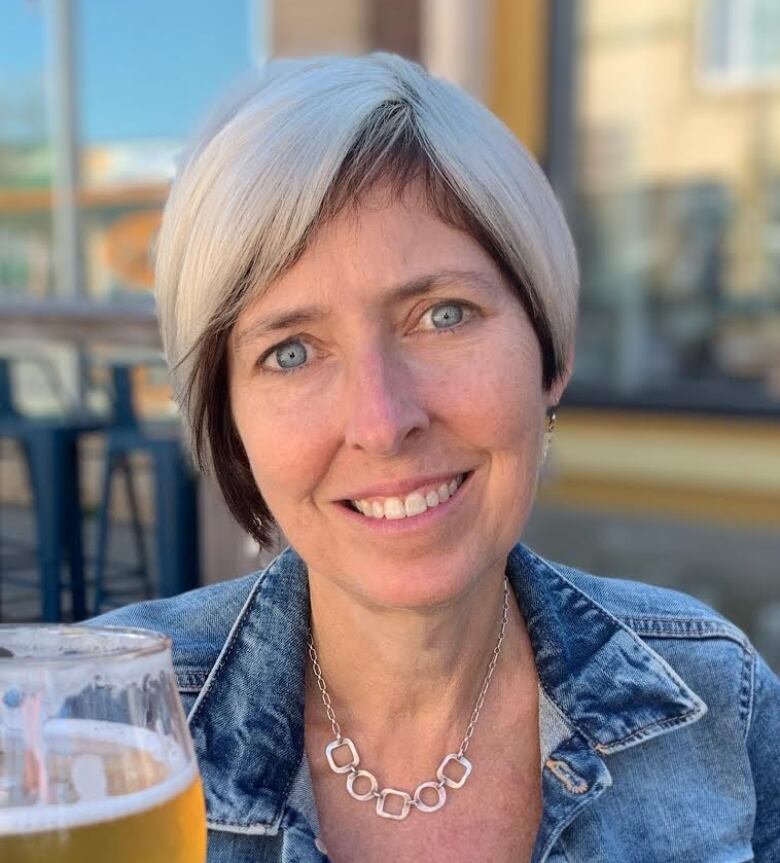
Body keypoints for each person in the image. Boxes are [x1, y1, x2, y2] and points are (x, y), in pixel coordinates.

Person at [96, 54, 779, 863]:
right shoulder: (105, 726)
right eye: (291, 352)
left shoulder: (715, 695)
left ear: (548, 350)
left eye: (443, 313)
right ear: (230, 420)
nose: (383, 422)